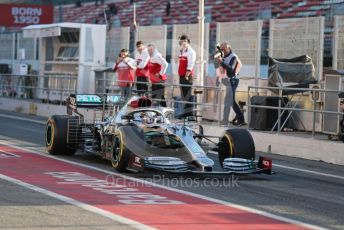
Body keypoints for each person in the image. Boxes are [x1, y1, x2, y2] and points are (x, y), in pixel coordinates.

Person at [217, 41, 245, 126]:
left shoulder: (233, 57)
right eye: (221, 49)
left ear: (228, 48)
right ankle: (240, 119)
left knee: (228, 101)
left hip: (233, 80)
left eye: (224, 49)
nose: (222, 51)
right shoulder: (224, 56)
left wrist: (222, 62)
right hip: (227, 80)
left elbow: (231, 69)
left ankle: (226, 121)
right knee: (231, 101)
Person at [178, 34, 196, 118]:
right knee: (183, 95)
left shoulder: (191, 51)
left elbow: (191, 63)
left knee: (187, 95)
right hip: (181, 75)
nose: (183, 43)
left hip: (187, 76)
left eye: (185, 41)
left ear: (188, 41)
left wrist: (187, 74)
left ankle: (189, 114)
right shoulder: (182, 50)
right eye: (182, 41)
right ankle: (185, 113)